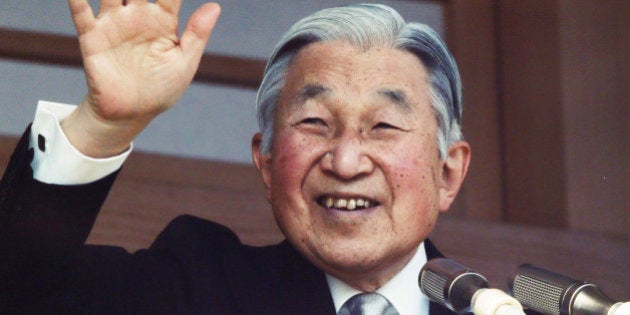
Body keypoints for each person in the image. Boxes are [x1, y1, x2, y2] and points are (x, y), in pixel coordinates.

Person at [0, 1, 471, 314]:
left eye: (384, 126)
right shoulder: (196, 288)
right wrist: (104, 125)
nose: (346, 162)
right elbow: (20, 292)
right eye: (313, 123)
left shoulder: (503, 308)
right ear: (266, 163)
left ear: (448, 173)